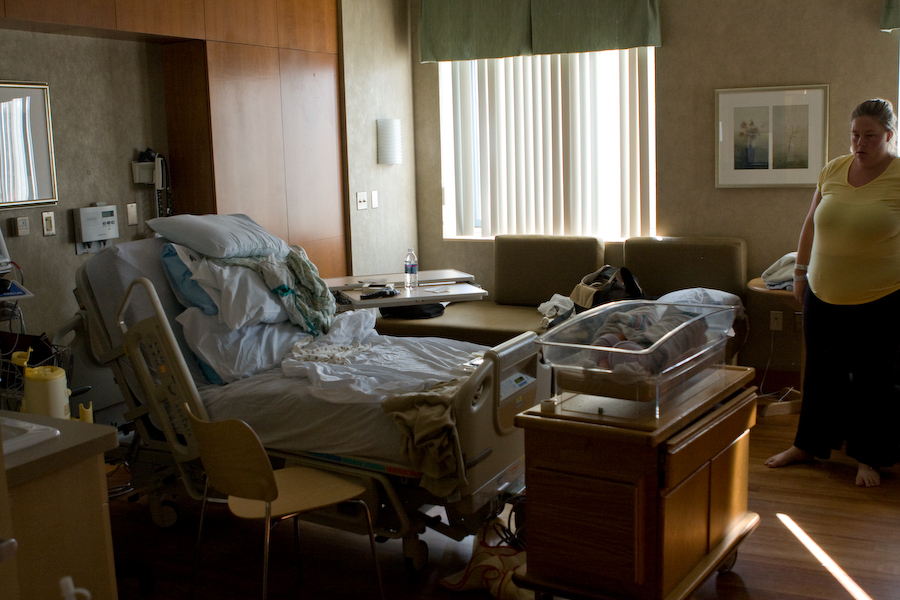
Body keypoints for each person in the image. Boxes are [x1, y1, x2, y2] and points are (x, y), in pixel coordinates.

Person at [766, 98, 900, 487]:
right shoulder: (834, 170)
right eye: (855, 135)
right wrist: (799, 273)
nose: (859, 143)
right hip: (822, 294)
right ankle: (807, 446)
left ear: (888, 135)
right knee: (823, 377)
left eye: (869, 136)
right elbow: (810, 225)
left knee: (873, 381)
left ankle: (867, 458)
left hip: (882, 299)